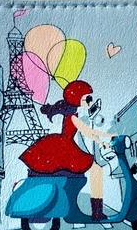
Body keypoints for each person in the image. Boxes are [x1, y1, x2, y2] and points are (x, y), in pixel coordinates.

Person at [19, 80, 113, 221]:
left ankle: (96, 212)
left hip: (64, 146)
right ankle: (97, 212)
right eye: (87, 98)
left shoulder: (72, 113)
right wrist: (105, 139)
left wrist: (102, 140)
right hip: (66, 149)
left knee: (94, 170)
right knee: (96, 170)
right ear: (77, 98)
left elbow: (88, 132)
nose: (90, 101)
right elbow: (88, 132)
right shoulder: (73, 116)